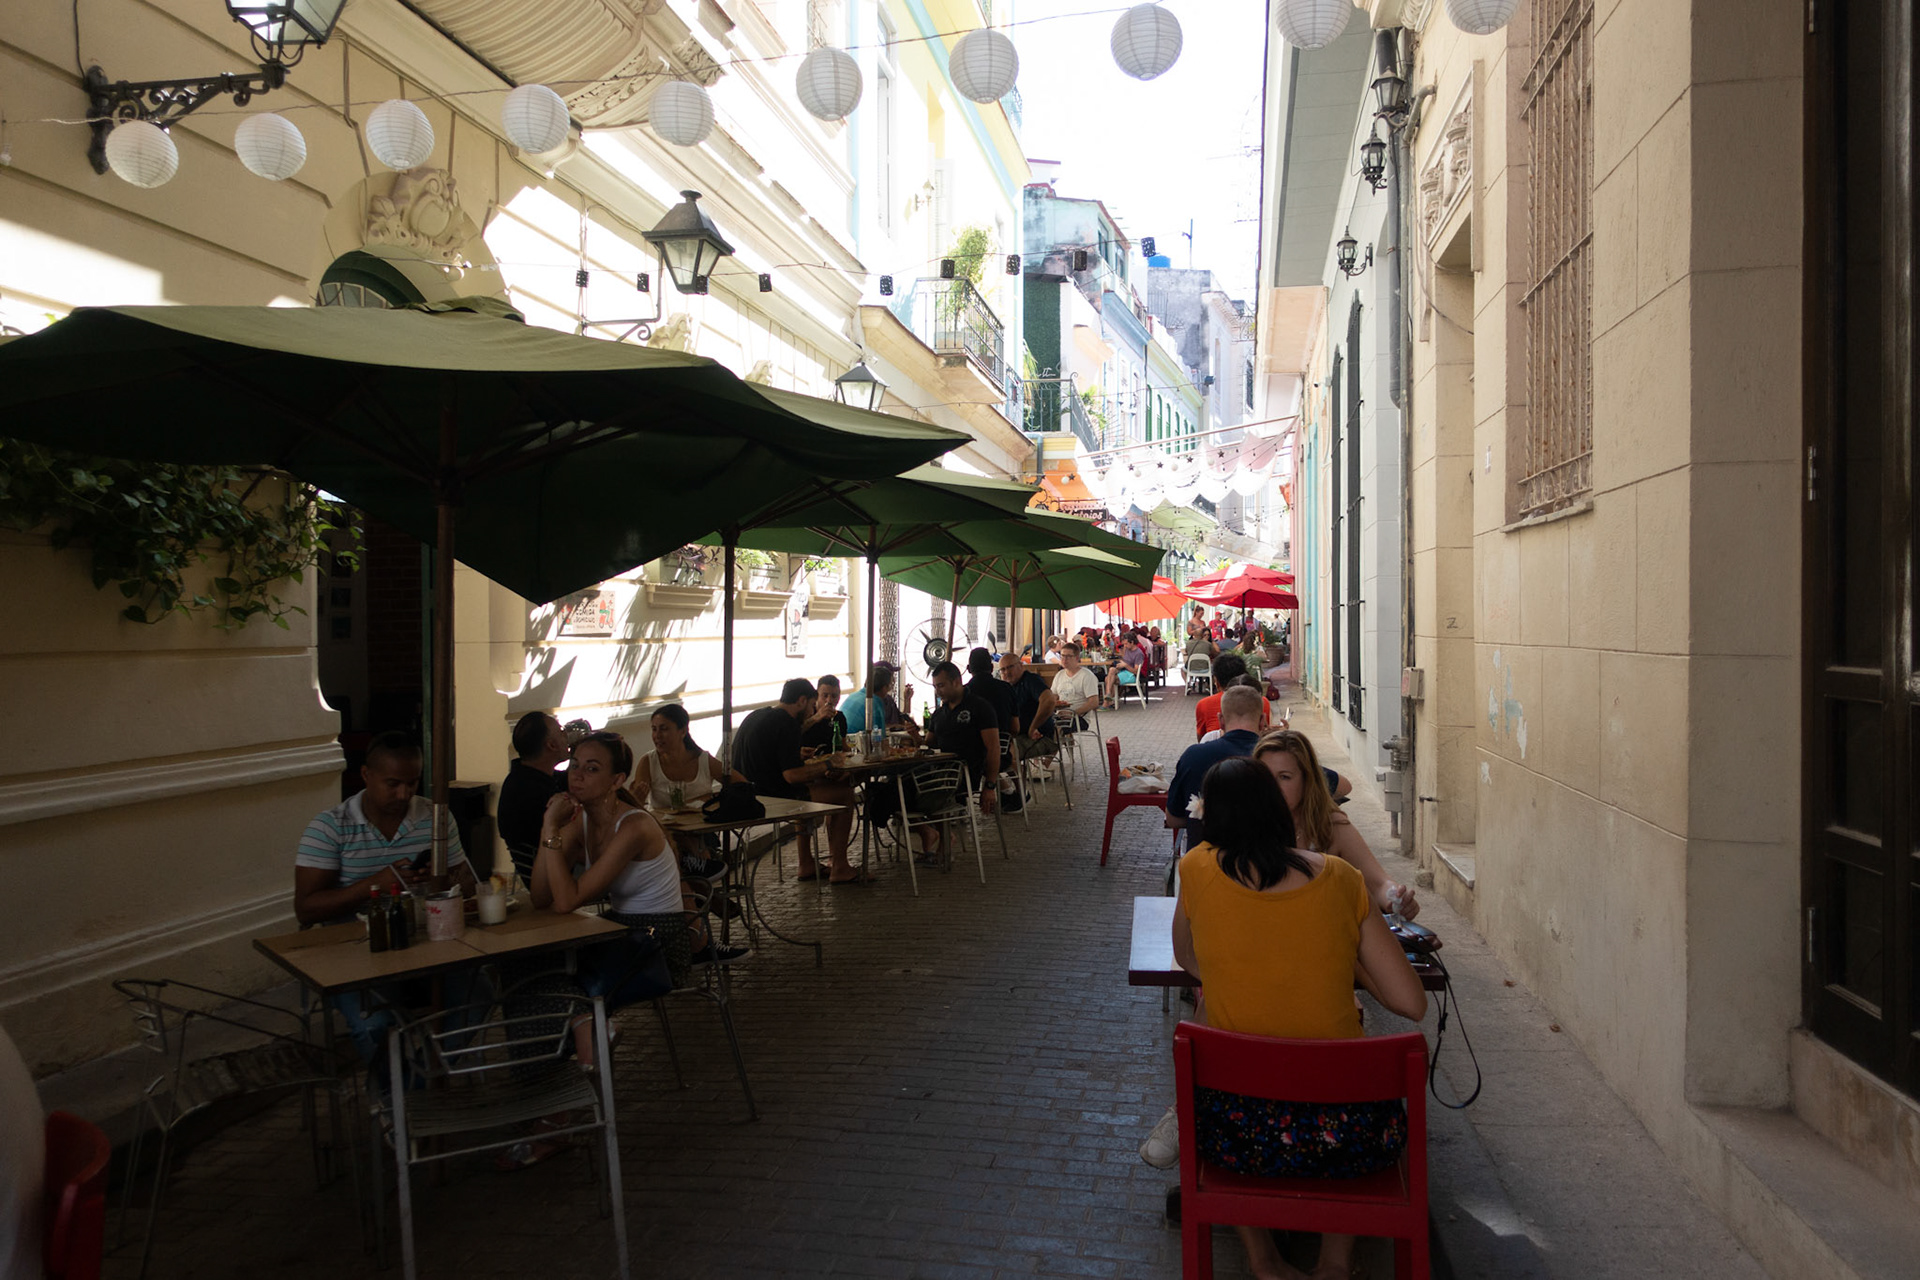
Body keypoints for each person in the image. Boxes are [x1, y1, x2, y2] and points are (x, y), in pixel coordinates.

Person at [1167, 757, 1428, 1280]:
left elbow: (1188, 960)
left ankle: (1264, 1261)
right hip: (1347, 1138)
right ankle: (1335, 1263)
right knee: (1353, 1089)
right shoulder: (1339, 879)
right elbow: (1411, 1002)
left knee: (1220, 1073)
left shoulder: (1194, 869)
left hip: (1235, 1136)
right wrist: (1345, 954)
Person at [293, 731, 481, 1062]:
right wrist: (374, 885)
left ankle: (426, 1075)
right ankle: (403, 1093)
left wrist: (439, 876)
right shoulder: (330, 828)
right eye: (392, 783)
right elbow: (306, 909)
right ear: (366, 775)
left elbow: (467, 884)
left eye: (412, 783)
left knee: (481, 995)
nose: (404, 793)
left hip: (425, 947)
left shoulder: (434, 817)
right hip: (356, 955)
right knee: (375, 1025)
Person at [1254, 728, 1416, 919]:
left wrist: (1397, 898)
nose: (1272, 786)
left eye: (1284, 777)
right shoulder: (1242, 826)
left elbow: (1378, 882)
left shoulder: (1330, 825)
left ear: (1307, 780)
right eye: (1265, 776)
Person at [731, 678, 866, 884]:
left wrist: (798, 755)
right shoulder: (788, 723)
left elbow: (770, 757)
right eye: (813, 704)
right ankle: (839, 866)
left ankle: (806, 862)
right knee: (844, 794)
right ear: (802, 701)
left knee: (815, 788)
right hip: (770, 799)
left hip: (748, 794)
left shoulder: (758, 715)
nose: (813, 711)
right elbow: (792, 776)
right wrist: (829, 764)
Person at [633, 704, 740, 880]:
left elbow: (740, 785)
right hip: (666, 833)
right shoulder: (649, 762)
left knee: (681, 852)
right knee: (677, 847)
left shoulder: (703, 760)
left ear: (683, 731)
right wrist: (636, 797)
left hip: (701, 831)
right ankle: (706, 884)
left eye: (664, 729)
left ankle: (700, 878)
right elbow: (637, 805)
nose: (657, 736)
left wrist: (710, 798)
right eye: (654, 729)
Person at [1166, 685, 1266, 848]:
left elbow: (1173, 819)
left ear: (1221, 720)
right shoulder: (1274, 759)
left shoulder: (1194, 756)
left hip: (1204, 864)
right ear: (1263, 721)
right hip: (1263, 864)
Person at [922, 660, 1001, 827]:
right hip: (938, 770)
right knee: (897, 787)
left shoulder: (979, 707)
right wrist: (914, 735)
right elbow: (930, 743)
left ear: (956, 682)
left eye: (941, 686)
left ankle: (939, 835)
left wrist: (990, 786)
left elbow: (993, 748)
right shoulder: (939, 713)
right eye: (935, 687)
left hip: (964, 773)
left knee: (913, 791)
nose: (938, 691)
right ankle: (932, 833)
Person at [497, 712, 568, 887]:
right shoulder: (525, 792)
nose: (566, 735)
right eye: (560, 731)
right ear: (551, 745)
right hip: (553, 878)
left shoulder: (532, 777)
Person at [1193, 653, 1272, 739]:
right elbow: (1264, 733)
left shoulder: (1204, 704)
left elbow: (1201, 737)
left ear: (1216, 681)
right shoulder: (1261, 701)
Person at [842, 664, 911, 737]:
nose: (891, 689)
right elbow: (878, 738)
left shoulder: (853, 695)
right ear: (885, 688)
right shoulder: (874, 703)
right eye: (891, 684)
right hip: (853, 744)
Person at [964, 647, 1016, 738]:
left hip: (970, 749)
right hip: (1002, 747)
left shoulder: (963, 692)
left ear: (968, 669)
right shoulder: (1007, 688)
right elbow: (1015, 728)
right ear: (992, 668)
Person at [1049, 642, 1102, 728]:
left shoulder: (1086, 675)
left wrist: (1073, 713)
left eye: (1068, 656)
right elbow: (1053, 696)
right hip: (1059, 715)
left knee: (1055, 729)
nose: (1064, 659)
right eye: (1062, 656)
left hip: (1079, 717)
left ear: (1077, 658)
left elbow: (1094, 702)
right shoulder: (1059, 675)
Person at [798, 674, 850, 756]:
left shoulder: (839, 717)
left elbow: (843, 745)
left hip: (831, 761)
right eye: (825, 695)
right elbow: (793, 733)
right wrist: (816, 717)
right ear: (817, 696)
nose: (829, 700)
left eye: (834, 696)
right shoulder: (806, 712)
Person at [1104, 630, 1147, 705]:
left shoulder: (1138, 653)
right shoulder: (1127, 649)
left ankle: (1108, 701)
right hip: (1124, 671)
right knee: (1111, 670)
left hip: (1132, 675)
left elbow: (1136, 671)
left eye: (1126, 644)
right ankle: (1108, 696)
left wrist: (1125, 665)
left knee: (1108, 679)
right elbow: (1125, 658)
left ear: (1132, 642)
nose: (1125, 646)